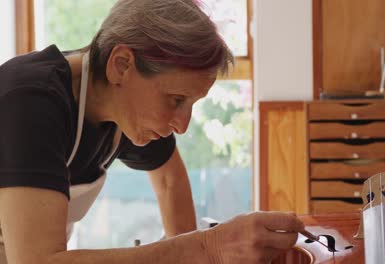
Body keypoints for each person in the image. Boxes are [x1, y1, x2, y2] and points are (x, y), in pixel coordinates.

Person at [0, 0, 305, 263]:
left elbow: (170, 181)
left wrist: (194, 250)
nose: (182, 125)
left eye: (191, 104)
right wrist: (208, 248)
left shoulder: (121, 110)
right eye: (176, 100)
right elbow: (36, 260)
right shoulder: (29, 102)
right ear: (121, 65)